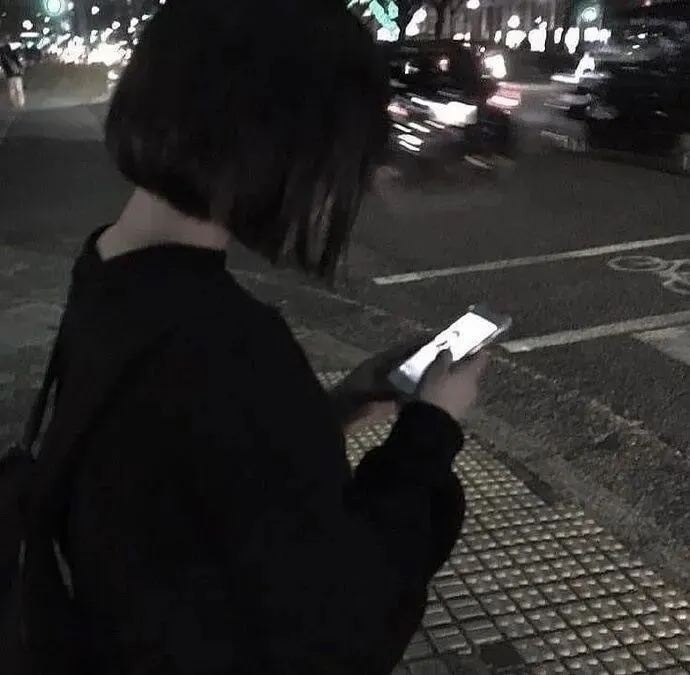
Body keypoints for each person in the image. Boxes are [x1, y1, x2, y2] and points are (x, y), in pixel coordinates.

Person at [50, 0, 488, 672]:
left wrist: (335, 409)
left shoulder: (108, 268)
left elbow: (210, 474)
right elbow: (349, 623)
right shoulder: (229, 347)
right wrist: (432, 428)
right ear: (284, 146)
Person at [0, 35, 25, 109]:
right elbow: (18, 63)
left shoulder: (3, 57)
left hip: (10, 75)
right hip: (16, 74)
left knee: (12, 91)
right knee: (19, 89)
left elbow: (4, 67)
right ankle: (21, 103)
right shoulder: (13, 54)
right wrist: (21, 69)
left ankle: (15, 103)